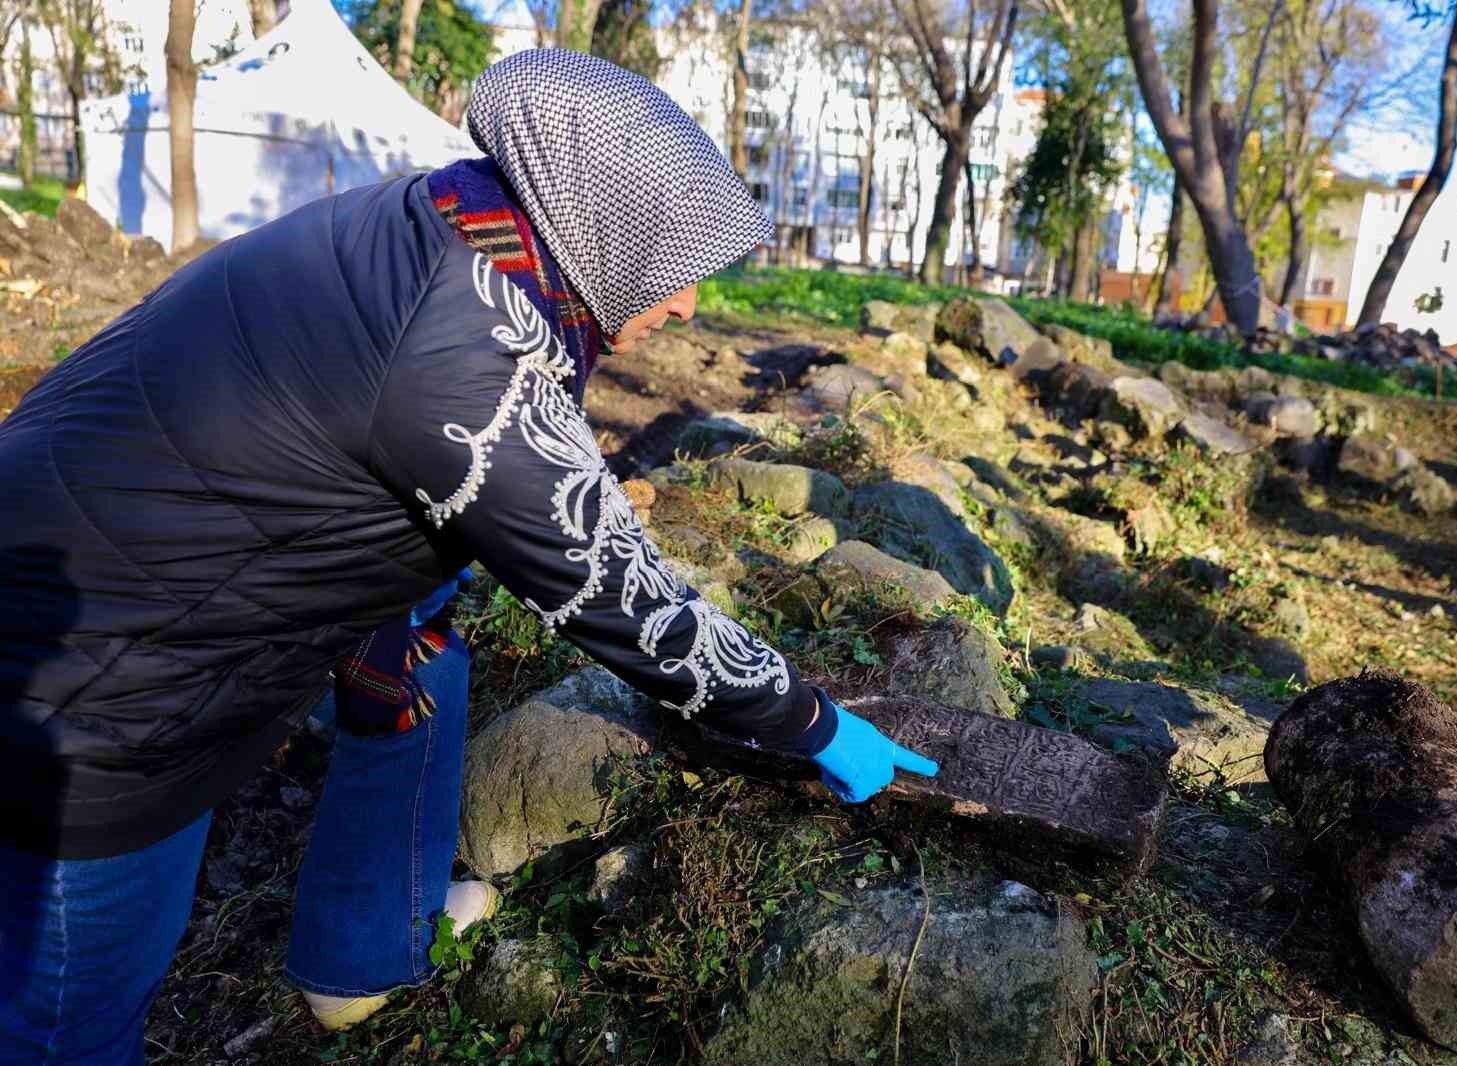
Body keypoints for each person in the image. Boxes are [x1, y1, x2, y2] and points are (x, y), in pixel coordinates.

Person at [0, 49, 938, 1064]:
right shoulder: (468, 357)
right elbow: (616, 590)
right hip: (97, 680)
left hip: (126, 554)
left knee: (423, 652)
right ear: (604, 233)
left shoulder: (438, 219)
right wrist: (807, 718)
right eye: (672, 273)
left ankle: (360, 952)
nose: (683, 310)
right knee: (69, 1013)